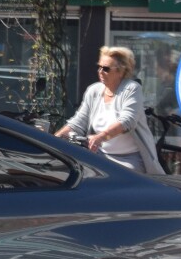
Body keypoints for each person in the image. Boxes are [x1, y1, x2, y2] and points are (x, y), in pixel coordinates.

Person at [55, 46, 164, 174]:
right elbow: (79, 122)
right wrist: (54, 139)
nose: (100, 71)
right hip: (101, 156)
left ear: (121, 72)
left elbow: (127, 121)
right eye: (99, 67)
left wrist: (101, 137)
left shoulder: (131, 89)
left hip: (130, 159)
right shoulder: (94, 90)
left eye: (106, 69)